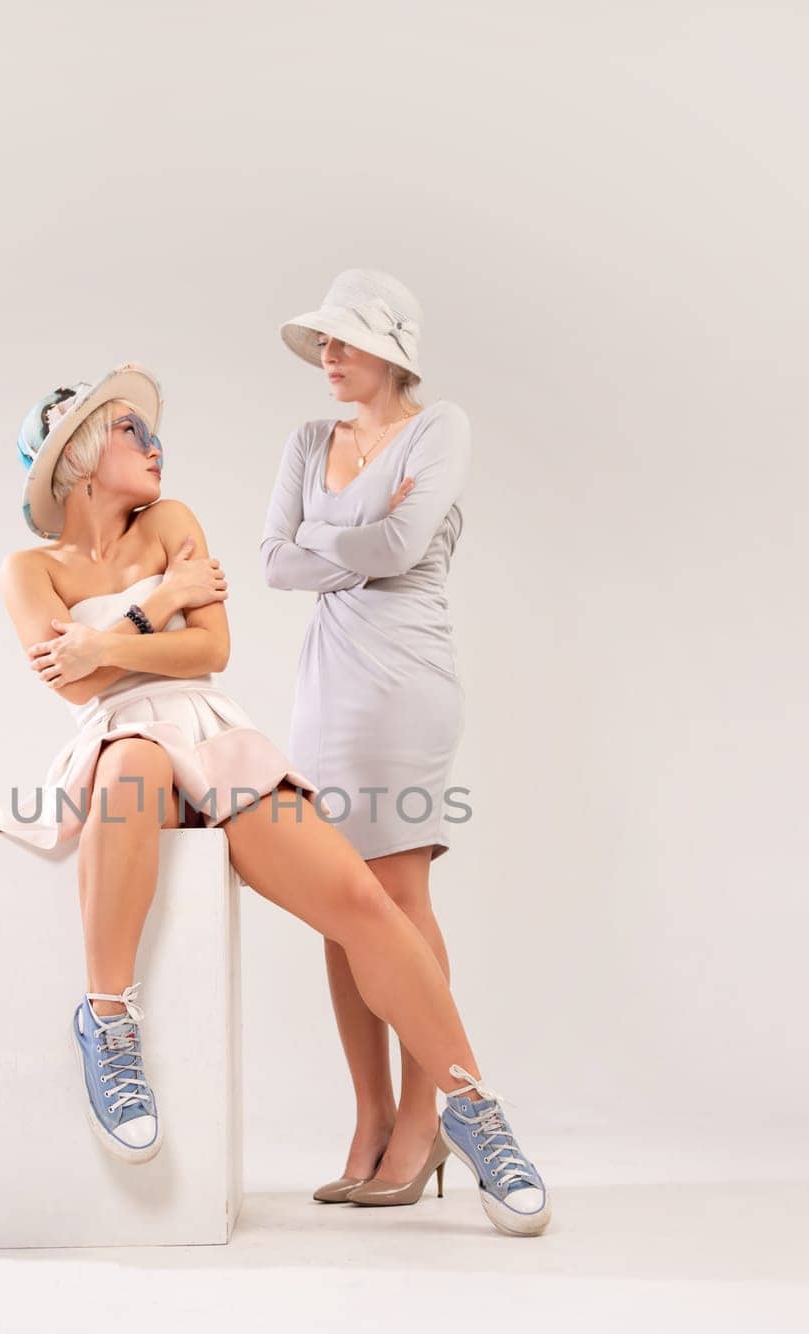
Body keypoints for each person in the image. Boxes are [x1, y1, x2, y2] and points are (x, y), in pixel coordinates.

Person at [0, 361, 549, 1236]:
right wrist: (160, 602)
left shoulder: (173, 519)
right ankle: (108, 1021)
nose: (155, 444)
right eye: (131, 431)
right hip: (125, 742)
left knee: (357, 897)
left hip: (209, 729)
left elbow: (211, 652)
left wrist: (104, 643)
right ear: (78, 456)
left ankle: (472, 1108)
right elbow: (75, 688)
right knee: (131, 763)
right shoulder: (26, 569)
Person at [261, 266, 483, 1213]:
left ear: (392, 349)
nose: (328, 355)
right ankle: (370, 1113)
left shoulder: (439, 429)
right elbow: (274, 561)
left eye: (344, 340)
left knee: (396, 888)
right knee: (337, 900)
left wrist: (327, 539)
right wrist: (353, 539)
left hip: (405, 684)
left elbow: (398, 554)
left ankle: (426, 1118)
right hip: (326, 687)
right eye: (323, 341)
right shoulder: (310, 440)